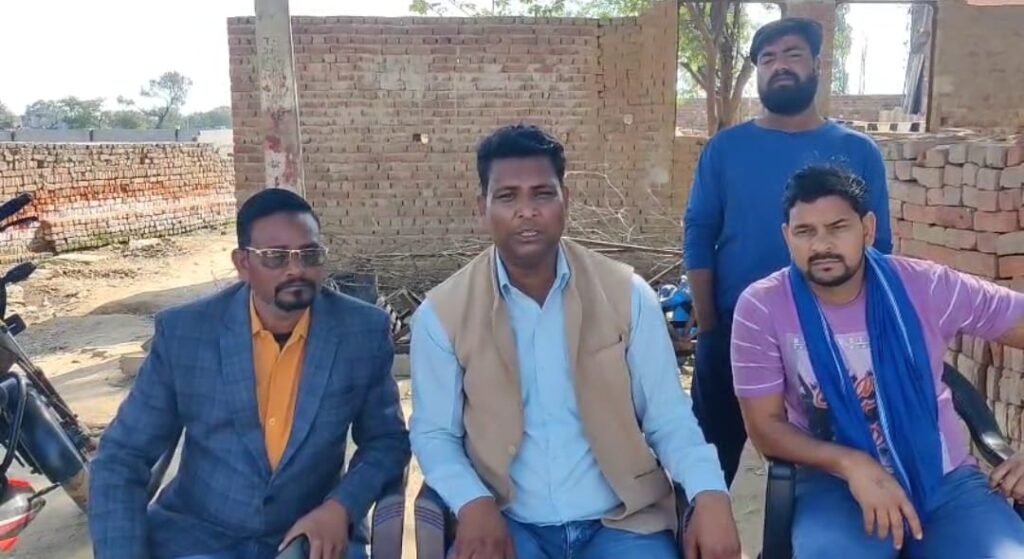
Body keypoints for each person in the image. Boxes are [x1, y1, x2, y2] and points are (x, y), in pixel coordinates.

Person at [410, 123, 741, 559]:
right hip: (509, 523)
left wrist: (710, 492)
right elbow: (435, 433)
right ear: (482, 208)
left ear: (566, 200)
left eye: (542, 194)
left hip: (622, 521)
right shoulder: (442, 314)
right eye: (507, 196)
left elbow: (668, 417)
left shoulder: (626, 295)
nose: (526, 211)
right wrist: (473, 502)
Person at [88, 188, 411, 559]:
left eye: (309, 254)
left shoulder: (361, 331)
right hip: (198, 536)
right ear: (242, 263)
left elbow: (387, 441)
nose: (296, 269)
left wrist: (341, 507)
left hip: (311, 538)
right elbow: (123, 456)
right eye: (275, 256)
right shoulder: (187, 333)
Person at [731, 165, 1024, 558]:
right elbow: (765, 429)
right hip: (833, 484)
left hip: (944, 481)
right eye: (805, 232)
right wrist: (851, 464)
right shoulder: (763, 307)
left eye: (838, 228)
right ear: (787, 237)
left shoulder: (926, 286)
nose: (822, 245)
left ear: (867, 229)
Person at [683, 16, 894, 486]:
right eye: (767, 59)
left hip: (832, 342)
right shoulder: (725, 150)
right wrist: (711, 327)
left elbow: (879, 247)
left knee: (832, 463)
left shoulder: (858, 151)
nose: (779, 66)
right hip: (734, 330)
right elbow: (699, 233)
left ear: (817, 65)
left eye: (792, 55)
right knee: (706, 464)